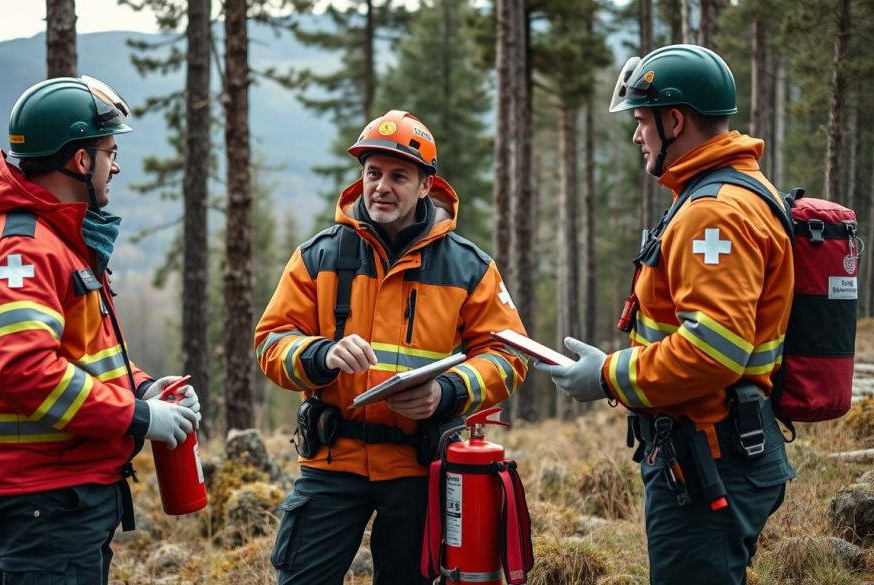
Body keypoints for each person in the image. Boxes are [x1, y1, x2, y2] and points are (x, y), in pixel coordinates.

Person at [535, 45, 796, 584]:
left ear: (674, 120)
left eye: (641, 120)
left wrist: (606, 375)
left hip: (710, 456)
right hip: (718, 448)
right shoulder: (724, 192)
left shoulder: (714, 215)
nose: (637, 135)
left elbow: (713, 350)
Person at [0, 76, 201, 584]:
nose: (117, 164)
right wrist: (137, 415)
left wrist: (143, 387)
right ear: (79, 161)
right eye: (109, 151)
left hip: (58, 492)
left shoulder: (53, 239)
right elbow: (24, 372)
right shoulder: (19, 249)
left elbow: (82, 353)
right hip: (41, 496)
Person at [255, 110, 529, 585]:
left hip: (418, 469)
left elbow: (511, 355)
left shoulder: (468, 267)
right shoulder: (317, 256)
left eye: (399, 175)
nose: (382, 186)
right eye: (373, 173)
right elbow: (270, 343)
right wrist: (320, 356)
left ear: (426, 186)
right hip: (330, 463)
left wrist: (447, 392)